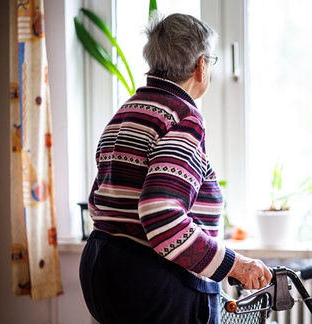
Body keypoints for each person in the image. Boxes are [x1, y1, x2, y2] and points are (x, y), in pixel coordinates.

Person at [79, 13, 272, 324]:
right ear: (201, 65)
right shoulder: (182, 117)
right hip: (151, 278)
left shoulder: (127, 111)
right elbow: (161, 215)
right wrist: (237, 266)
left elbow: (106, 200)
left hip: (102, 267)